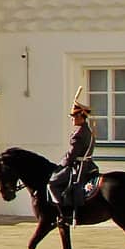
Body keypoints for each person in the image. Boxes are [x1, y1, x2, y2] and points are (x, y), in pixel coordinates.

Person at [48, 94, 97, 226]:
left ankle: (64, 215)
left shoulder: (79, 134)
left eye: (74, 117)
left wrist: (60, 165)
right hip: (89, 164)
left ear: (81, 116)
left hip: (79, 166)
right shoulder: (88, 130)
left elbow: (72, 155)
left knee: (52, 183)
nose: (72, 120)